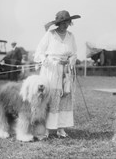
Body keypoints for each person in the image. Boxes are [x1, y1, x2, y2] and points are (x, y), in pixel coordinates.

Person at [34, 10, 80, 139]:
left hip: (65, 71)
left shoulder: (71, 36)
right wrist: (48, 61)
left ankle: (61, 128)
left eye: (67, 22)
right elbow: (40, 52)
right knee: (50, 97)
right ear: (58, 23)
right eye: (63, 22)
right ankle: (46, 128)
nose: (65, 25)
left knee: (64, 97)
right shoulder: (50, 34)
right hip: (51, 70)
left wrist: (70, 61)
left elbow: (74, 54)